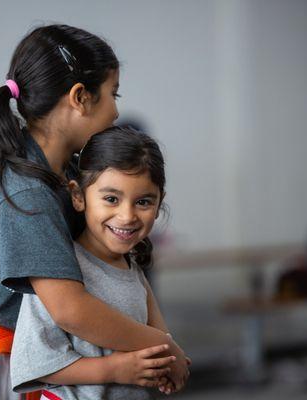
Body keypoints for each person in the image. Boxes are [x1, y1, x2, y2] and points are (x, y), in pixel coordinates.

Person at [0, 24, 189, 400]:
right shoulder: (28, 189)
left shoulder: (66, 174)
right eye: (113, 93)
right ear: (80, 97)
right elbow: (69, 309)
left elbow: (127, 274)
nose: (116, 110)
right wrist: (163, 347)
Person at [11, 127, 187, 399]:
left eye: (143, 202)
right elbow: (36, 363)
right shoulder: (59, 274)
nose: (127, 216)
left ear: (159, 203)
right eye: (111, 199)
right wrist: (112, 369)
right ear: (79, 196)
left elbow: (161, 340)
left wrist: (169, 364)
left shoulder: (133, 269)